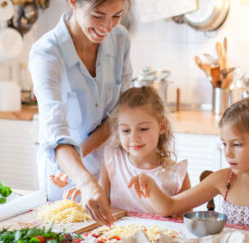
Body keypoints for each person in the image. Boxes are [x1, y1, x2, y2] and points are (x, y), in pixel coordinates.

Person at [28, 0, 132, 225]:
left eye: (116, 15)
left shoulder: (120, 40)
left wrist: (85, 159)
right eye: (97, 15)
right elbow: (55, 134)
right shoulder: (46, 53)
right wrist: (84, 180)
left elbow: (120, 112)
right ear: (72, 2)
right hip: (62, 176)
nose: (107, 26)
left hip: (109, 170)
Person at [129, 98, 249, 236]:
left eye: (237, 145)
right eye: (224, 144)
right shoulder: (225, 179)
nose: (228, 153)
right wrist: (150, 186)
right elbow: (170, 207)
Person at [63, 86, 191, 214]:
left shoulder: (177, 175)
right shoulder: (111, 161)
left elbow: (185, 225)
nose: (134, 137)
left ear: (162, 126)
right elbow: (102, 206)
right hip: (117, 234)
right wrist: (88, 194)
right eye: (126, 130)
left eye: (143, 129)